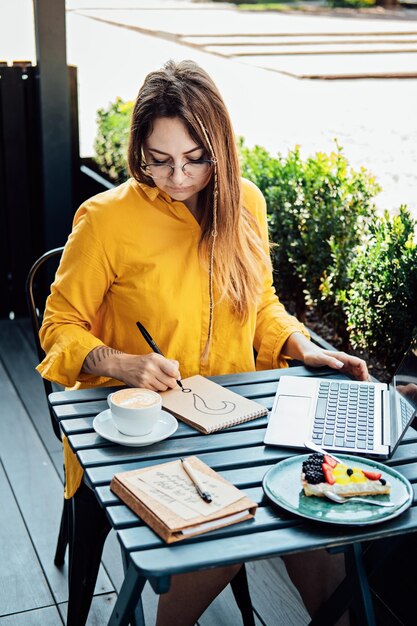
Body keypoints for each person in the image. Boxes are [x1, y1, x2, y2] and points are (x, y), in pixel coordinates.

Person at [37, 59, 368, 626]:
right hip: (143, 433)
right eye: (159, 160)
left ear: (221, 146)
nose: (179, 176)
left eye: (196, 158)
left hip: (240, 420)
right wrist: (122, 363)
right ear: (138, 148)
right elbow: (57, 326)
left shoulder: (247, 203)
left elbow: (259, 304)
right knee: (219, 539)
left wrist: (298, 343)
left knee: (317, 530)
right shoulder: (105, 221)